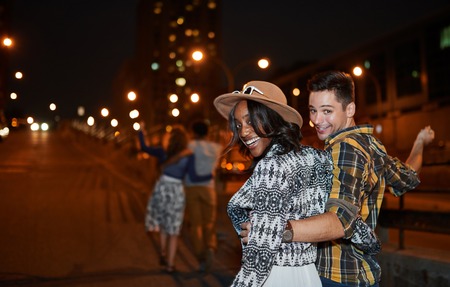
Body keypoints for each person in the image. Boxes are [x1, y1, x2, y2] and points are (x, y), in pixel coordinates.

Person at [240, 71, 435, 287]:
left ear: (349, 109)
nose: (316, 120)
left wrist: (272, 231)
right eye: (313, 110)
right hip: (362, 276)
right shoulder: (372, 147)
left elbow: (341, 221)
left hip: (336, 277)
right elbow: (409, 176)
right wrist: (420, 143)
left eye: (327, 111)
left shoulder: (346, 149)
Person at [213, 81, 334, 286]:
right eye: (239, 125)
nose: (243, 133)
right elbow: (345, 212)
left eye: (251, 121)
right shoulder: (316, 157)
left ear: (272, 118)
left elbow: (260, 255)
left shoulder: (271, 166)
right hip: (308, 274)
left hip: (276, 274)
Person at [138, 122, 212, 273]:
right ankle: (170, 265)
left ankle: (163, 253)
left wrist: (141, 132)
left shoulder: (161, 151)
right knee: (174, 230)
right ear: (185, 140)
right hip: (177, 190)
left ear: (170, 138)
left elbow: (144, 148)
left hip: (162, 188)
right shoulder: (188, 156)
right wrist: (209, 174)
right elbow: (194, 176)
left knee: (164, 225)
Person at [183, 119, 222, 272]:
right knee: (209, 223)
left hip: (192, 188)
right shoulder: (216, 148)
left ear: (194, 132)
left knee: (195, 225)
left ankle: (201, 257)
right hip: (209, 189)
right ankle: (211, 247)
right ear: (207, 132)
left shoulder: (190, 146)